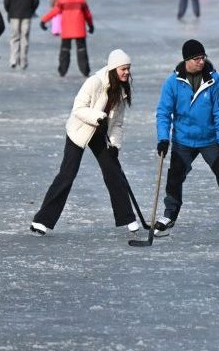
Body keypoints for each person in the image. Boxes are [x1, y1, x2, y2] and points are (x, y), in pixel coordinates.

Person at [153, 40, 219, 238]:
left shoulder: (214, 80)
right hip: (183, 140)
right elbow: (163, 112)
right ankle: (169, 215)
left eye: (203, 57)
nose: (201, 61)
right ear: (186, 60)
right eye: (196, 58)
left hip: (209, 140)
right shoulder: (172, 82)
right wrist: (163, 138)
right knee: (174, 177)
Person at [29, 49, 138, 236]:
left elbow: (117, 123)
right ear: (113, 68)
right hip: (79, 131)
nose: (127, 73)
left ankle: (127, 218)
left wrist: (114, 144)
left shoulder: (121, 89)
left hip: (101, 132)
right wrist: (98, 117)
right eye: (123, 69)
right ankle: (41, 221)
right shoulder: (94, 82)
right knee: (67, 175)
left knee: (113, 173)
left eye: (128, 69)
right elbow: (78, 108)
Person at [40, 0, 93, 77]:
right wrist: (90, 25)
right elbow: (87, 14)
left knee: (65, 50)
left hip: (67, 30)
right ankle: (85, 71)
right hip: (79, 30)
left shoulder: (62, 0)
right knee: (81, 50)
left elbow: (54, 11)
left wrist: (44, 20)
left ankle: (62, 71)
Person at [3, 0, 40, 70]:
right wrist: (31, 10)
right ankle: (23, 61)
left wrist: (9, 11)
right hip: (27, 15)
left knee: (14, 38)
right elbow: (36, 1)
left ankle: (13, 60)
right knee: (25, 38)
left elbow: (6, 1)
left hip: (14, 15)